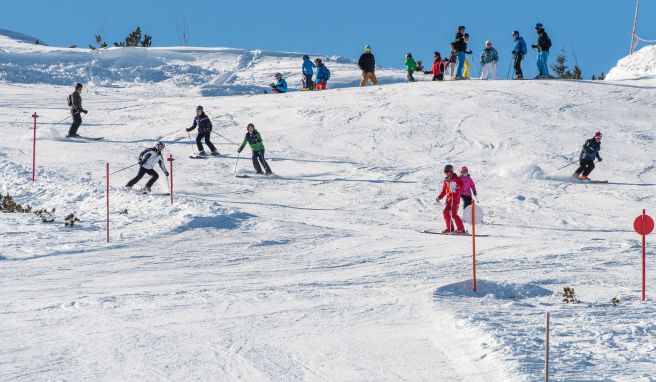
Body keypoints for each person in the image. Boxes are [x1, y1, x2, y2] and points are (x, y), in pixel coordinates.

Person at [437, 164, 465, 234]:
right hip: (448, 200)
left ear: (451, 171)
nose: (446, 173)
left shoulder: (457, 179)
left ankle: (461, 229)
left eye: (447, 171)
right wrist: (439, 197)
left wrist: (456, 186)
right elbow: (444, 191)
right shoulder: (446, 180)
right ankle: (450, 229)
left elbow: (461, 186)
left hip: (455, 200)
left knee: (453, 214)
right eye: (445, 172)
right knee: (445, 212)